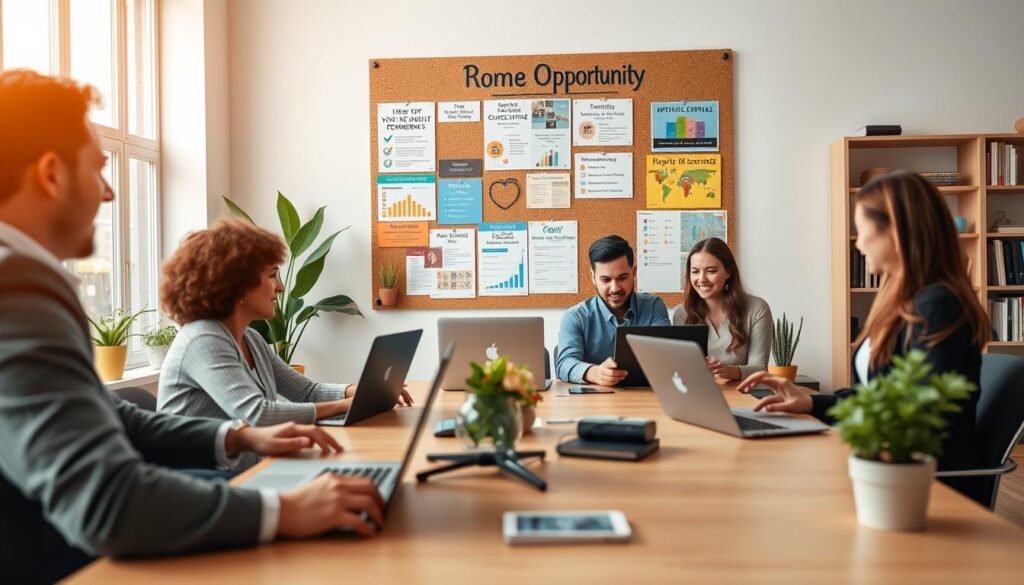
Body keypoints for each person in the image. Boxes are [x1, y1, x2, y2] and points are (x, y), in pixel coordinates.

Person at [0, 70, 384, 584]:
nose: (110, 194)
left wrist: (243, 437)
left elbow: (115, 416)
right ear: (50, 174)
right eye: (97, 170)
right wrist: (285, 512)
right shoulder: (18, 287)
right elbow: (108, 504)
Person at [738, 170, 988, 504]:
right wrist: (811, 402)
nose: (857, 243)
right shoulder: (900, 302)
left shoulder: (939, 306)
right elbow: (873, 397)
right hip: (884, 473)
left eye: (861, 231)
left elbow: (921, 418)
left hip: (925, 489)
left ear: (896, 232)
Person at [157, 219, 412, 469]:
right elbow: (257, 415)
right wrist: (348, 406)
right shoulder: (203, 339)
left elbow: (306, 392)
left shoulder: (251, 338)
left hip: (246, 476)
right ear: (236, 285)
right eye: (271, 275)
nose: (279, 286)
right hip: (200, 487)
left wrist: (356, 391)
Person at [556, 235, 670, 386]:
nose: (615, 288)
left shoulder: (654, 307)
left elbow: (667, 355)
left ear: (634, 273)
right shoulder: (575, 317)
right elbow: (564, 364)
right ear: (593, 277)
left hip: (645, 397)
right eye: (606, 280)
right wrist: (594, 372)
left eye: (622, 278)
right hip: (594, 402)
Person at [672, 237, 773, 381]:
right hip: (701, 394)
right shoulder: (681, 314)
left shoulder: (757, 309)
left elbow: (760, 367)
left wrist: (731, 371)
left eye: (711, 271)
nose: (701, 279)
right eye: (695, 271)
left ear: (728, 272)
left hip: (744, 395)